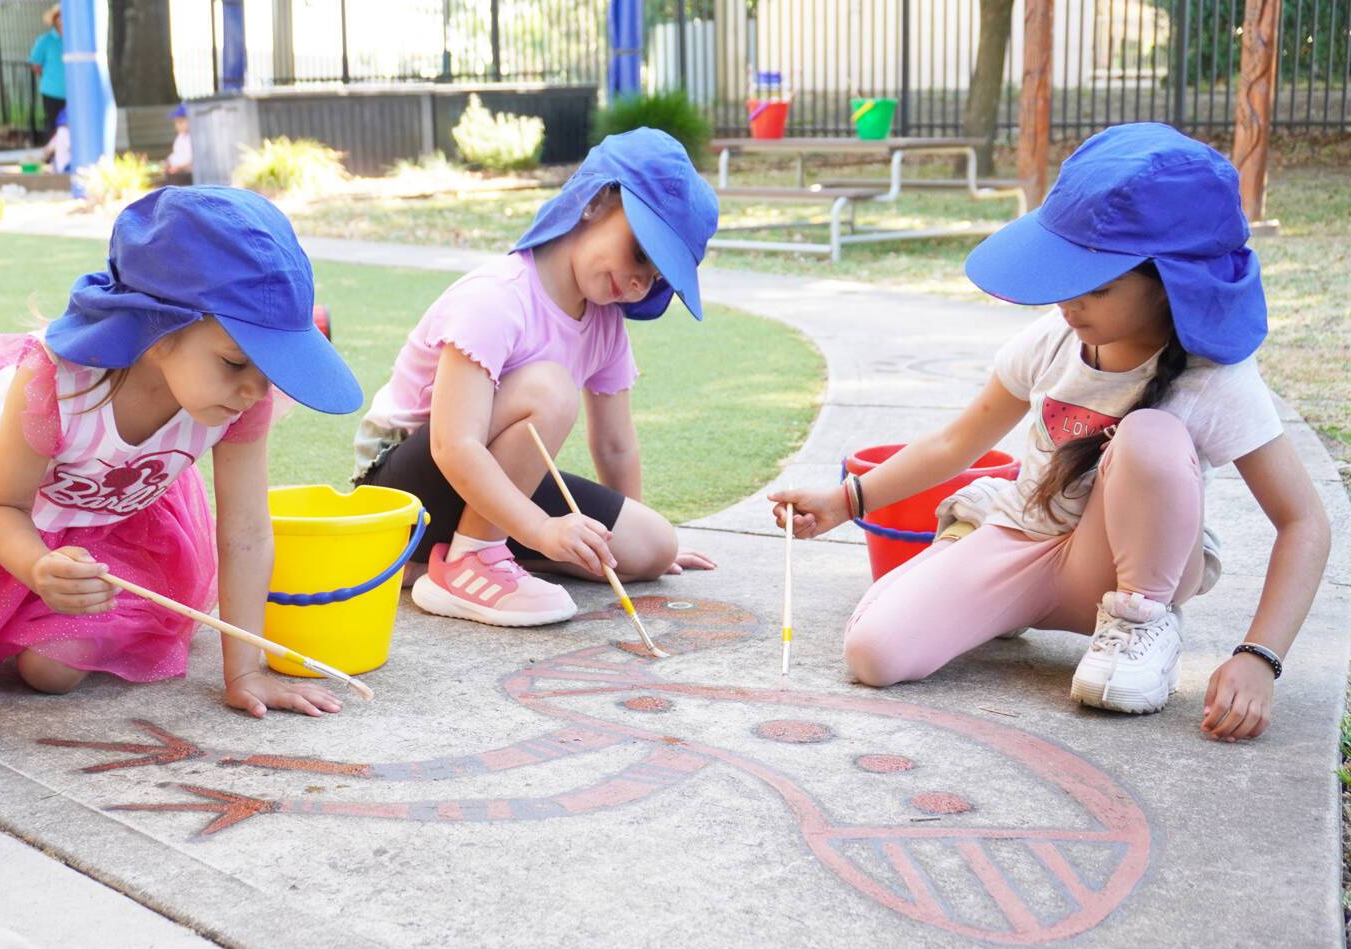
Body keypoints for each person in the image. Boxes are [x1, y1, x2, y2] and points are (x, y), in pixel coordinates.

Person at [770, 123, 1330, 741]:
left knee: (1149, 435)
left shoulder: (1213, 380)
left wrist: (1260, 657)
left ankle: (1142, 626)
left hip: (1122, 570)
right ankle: (977, 573)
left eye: (1095, 286)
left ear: (1172, 284)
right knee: (874, 653)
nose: (1067, 300)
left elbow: (1304, 522)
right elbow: (957, 444)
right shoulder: (1053, 340)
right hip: (1022, 536)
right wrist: (847, 501)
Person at [0, 187, 365, 718]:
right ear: (159, 331)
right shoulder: (53, 382)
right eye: (235, 363)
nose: (255, 390)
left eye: (270, 368)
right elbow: (0, 507)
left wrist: (246, 672)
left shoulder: (243, 397)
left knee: (52, 671)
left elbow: (247, 532)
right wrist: (38, 566)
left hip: (111, 521)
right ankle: (11, 606)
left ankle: (41, 615)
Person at [352, 127, 719, 627]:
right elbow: (453, 445)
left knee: (651, 546)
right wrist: (544, 530)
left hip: (483, 477)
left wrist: (623, 533)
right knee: (549, 388)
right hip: (404, 487)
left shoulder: (606, 322)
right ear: (594, 204)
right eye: (640, 253)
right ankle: (467, 561)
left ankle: (453, 555)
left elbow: (615, 446)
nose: (639, 283)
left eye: (656, 277)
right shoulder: (497, 297)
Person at [29, 5, 66, 141]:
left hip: (74, 92)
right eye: (59, 16)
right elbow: (35, 64)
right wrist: (49, 76)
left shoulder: (75, 39)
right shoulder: (45, 40)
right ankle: (54, 156)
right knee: (54, 126)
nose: (62, 19)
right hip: (52, 92)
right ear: (54, 19)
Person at [41, 105, 70, 173]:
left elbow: (46, 151)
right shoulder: (64, 132)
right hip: (67, 168)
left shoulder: (59, 133)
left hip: (61, 168)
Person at [165, 103, 192, 175]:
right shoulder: (180, 137)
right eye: (175, 123)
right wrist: (168, 162)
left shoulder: (194, 138)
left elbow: (192, 160)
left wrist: (180, 168)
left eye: (180, 122)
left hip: (189, 174)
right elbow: (176, 154)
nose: (177, 126)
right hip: (178, 171)